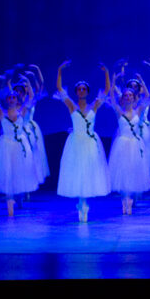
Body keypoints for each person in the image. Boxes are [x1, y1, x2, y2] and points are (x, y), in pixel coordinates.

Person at [55, 61, 112, 222]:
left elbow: (107, 91)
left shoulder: (94, 105)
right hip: (76, 144)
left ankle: (84, 203)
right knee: (78, 172)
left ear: (87, 92)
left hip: (90, 144)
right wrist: (60, 70)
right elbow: (60, 89)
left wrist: (106, 73)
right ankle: (81, 203)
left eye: (84, 89)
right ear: (76, 92)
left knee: (88, 173)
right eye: (79, 89)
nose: (81, 91)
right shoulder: (71, 106)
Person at [0, 75, 40, 217]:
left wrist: (27, 82)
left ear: (17, 100)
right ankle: (10, 204)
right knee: (8, 173)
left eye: (13, 97)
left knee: (20, 173)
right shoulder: (1, 113)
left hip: (20, 146)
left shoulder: (22, 111)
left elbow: (31, 98)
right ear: (7, 100)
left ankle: (19, 199)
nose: (11, 99)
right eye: (9, 98)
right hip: (6, 147)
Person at [107, 86, 150, 214]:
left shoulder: (138, 111)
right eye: (125, 95)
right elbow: (112, 100)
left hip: (135, 145)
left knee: (132, 171)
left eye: (130, 95)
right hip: (122, 145)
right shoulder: (119, 112)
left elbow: (147, 98)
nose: (128, 97)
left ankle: (130, 199)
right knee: (123, 171)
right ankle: (124, 199)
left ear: (134, 98)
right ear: (123, 98)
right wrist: (113, 81)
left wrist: (142, 83)